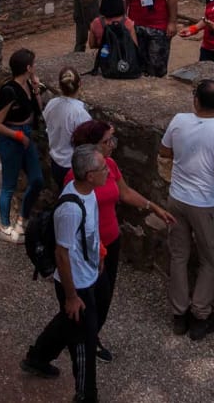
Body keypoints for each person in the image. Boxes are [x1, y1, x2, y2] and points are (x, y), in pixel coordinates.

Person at [69, 120, 174, 360]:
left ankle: (88, 336)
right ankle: (82, 341)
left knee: (104, 297)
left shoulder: (109, 166)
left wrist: (153, 207)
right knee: (92, 299)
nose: (113, 145)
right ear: (92, 146)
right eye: (107, 141)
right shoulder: (78, 176)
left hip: (112, 240)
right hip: (92, 248)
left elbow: (124, 193)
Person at [20, 143, 106, 394]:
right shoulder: (69, 209)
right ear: (90, 175)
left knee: (68, 324)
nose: (107, 172)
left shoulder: (88, 193)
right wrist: (71, 296)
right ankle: (85, 395)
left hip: (87, 276)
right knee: (83, 341)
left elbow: (89, 232)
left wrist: (97, 254)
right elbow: (61, 253)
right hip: (76, 284)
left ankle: (37, 358)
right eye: (103, 169)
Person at [160, 79, 214, 340]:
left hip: (177, 198)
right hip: (204, 203)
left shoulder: (179, 120)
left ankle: (178, 314)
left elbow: (164, 150)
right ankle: (200, 313)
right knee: (209, 259)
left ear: (196, 100)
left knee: (179, 256)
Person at [0, 47, 45, 243]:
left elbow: (38, 109)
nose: (35, 67)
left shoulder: (29, 84)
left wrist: (37, 89)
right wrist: (18, 136)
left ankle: (22, 219)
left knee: (37, 180)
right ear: (28, 67)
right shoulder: (9, 91)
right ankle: (4, 226)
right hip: (12, 139)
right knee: (9, 185)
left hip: (26, 136)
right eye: (34, 64)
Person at [43, 68, 92, 177]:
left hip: (55, 161)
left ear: (60, 86)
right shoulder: (80, 113)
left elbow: (47, 124)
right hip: (72, 165)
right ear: (80, 84)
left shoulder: (51, 104)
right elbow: (86, 143)